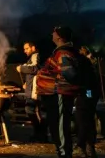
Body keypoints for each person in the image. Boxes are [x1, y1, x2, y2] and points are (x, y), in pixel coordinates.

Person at [37, 26, 84, 158]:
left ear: (59, 37)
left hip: (60, 94)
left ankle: (64, 153)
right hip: (55, 94)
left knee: (60, 125)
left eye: (54, 32)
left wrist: (57, 79)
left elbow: (70, 73)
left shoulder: (63, 53)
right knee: (56, 124)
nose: (51, 34)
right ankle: (61, 151)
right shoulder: (60, 52)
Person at [17, 41, 47, 142]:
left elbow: (35, 68)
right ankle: (39, 134)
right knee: (34, 111)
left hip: (36, 90)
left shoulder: (35, 55)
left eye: (27, 48)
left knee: (34, 111)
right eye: (24, 49)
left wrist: (22, 68)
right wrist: (26, 83)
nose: (25, 51)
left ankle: (41, 135)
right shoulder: (32, 57)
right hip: (32, 89)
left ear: (33, 48)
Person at [75, 46, 101, 158]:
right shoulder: (92, 66)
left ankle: (82, 146)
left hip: (86, 95)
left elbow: (87, 86)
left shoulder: (85, 66)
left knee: (82, 120)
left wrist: (87, 97)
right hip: (90, 95)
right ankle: (89, 146)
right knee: (88, 120)